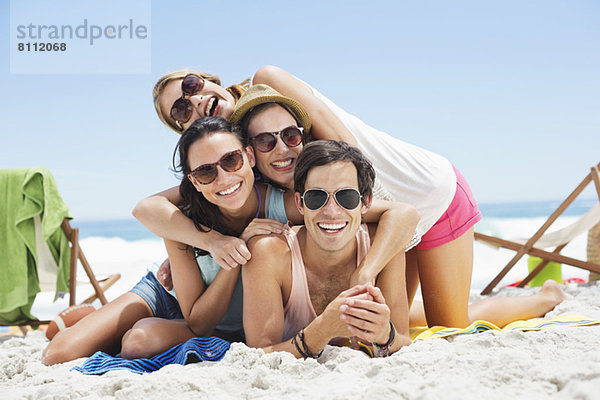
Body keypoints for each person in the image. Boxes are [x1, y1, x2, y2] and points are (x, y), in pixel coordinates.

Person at [149, 66, 483, 328]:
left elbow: (348, 152)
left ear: (210, 81)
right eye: (180, 109)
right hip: (382, 219)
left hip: (431, 195)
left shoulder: (268, 81)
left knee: (452, 324)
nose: (192, 100)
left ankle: (537, 301)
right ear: (186, 128)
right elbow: (176, 203)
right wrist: (196, 244)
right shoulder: (242, 161)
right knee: (382, 320)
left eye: (191, 85)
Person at [243, 140, 569, 358]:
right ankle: (545, 295)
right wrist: (322, 330)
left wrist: (385, 335)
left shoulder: (381, 248)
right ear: (300, 203)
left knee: (454, 320)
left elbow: (400, 341)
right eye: (317, 197)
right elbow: (258, 354)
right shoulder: (270, 255)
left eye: (346, 197)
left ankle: (548, 296)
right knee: (432, 316)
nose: (331, 211)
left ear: (366, 203)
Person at [42, 117, 287, 365]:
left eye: (232, 161)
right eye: (205, 172)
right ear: (194, 181)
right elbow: (198, 321)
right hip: (170, 300)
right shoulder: (182, 220)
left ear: (250, 157)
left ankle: (106, 325)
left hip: (216, 325)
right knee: (57, 355)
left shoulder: (284, 205)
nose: (223, 179)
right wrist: (225, 248)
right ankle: (93, 319)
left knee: (137, 342)